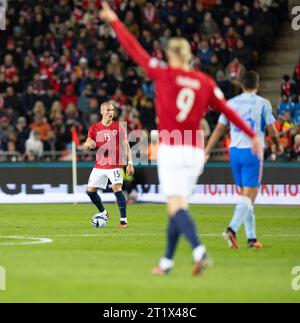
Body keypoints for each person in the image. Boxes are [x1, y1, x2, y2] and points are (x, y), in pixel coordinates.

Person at [99, 2, 262, 276]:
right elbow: (228, 111)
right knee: (178, 207)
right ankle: (167, 262)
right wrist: (251, 135)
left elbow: (134, 50)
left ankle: (199, 251)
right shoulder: (205, 81)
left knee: (175, 207)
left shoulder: (163, 73)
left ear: (170, 55)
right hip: (195, 151)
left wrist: (115, 21)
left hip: (173, 149)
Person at [205, 71, 283, 249]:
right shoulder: (263, 103)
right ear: (258, 85)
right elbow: (272, 130)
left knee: (244, 197)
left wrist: (207, 150)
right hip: (252, 152)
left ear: (241, 85)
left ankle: (251, 238)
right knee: (250, 196)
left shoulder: (231, 103)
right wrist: (278, 145)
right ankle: (231, 229)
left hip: (234, 152)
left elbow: (218, 129)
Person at [83, 101, 134, 228]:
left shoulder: (118, 127)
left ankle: (123, 221)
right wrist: (87, 144)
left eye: (112, 110)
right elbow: (88, 142)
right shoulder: (94, 127)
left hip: (115, 164)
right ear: (101, 112)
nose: (110, 112)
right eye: (107, 110)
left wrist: (130, 162)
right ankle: (104, 213)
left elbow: (126, 145)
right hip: (99, 165)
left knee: (116, 188)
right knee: (90, 192)